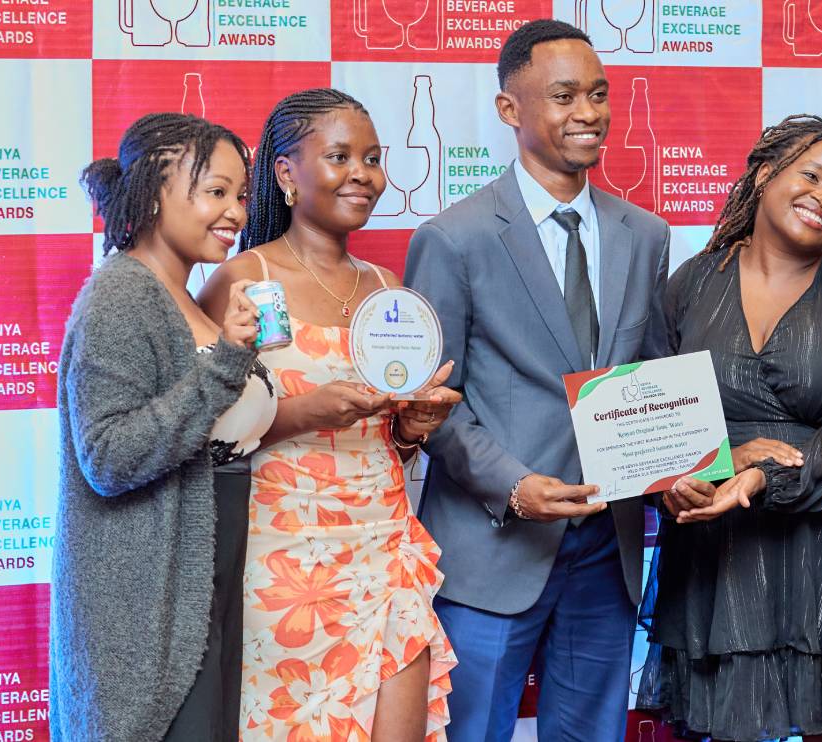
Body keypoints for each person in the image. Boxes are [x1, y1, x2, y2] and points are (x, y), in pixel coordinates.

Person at [402, 19, 671, 741]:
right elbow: (433, 408)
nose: (588, 112)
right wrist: (513, 486)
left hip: (606, 550)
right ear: (510, 109)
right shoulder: (452, 239)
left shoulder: (644, 234)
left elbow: (643, 384)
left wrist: (678, 465)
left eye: (598, 93)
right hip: (492, 548)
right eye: (563, 96)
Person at [634, 115, 822, 742]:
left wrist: (760, 475)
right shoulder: (691, 284)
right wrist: (695, 473)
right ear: (765, 173)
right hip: (723, 558)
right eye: (813, 176)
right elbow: (653, 425)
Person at [198, 88, 460, 742]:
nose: (362, 174)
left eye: (372, 158)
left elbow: (392, 440)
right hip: (281, 563)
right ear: (286, 172)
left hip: (384, 548)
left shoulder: (388, 293)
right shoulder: (243, 280)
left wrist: (410, 429)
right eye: (340, 156)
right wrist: (299, 414)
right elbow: (202, 434)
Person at [52, 112, 271, 741]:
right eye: (214, 192)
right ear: (152, 194)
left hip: (205, 584)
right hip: (149, 607)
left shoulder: (186, 293)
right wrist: (226, 363)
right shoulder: (121, 293)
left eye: (239, 194)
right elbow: (110, 456)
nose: (233, 212)